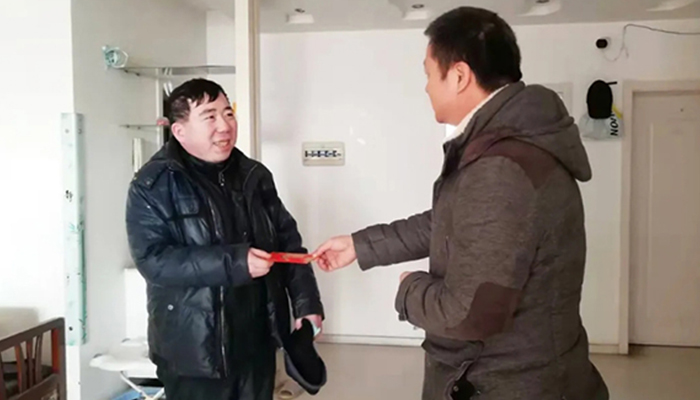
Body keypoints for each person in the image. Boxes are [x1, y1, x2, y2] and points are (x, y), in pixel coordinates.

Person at [314, 7, 608, 400]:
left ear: (459, 76)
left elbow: (468, 314)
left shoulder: (501, 167)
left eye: (428, 74)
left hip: (506, 383)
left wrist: (409, 289)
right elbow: (449, 222)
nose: (425, 88)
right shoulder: (511, 145)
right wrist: (359, 245)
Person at [126, 79, 324, 400]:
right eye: (210, 116)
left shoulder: (254, 175)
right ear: (180, 131)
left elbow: (288, 245)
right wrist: (235, 262)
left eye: (228, 113)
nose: (225, 125)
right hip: (193, 353)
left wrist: (307, 304)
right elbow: (154, 261)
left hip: (257, 344)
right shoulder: (153, 184)